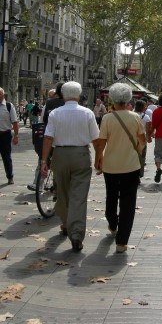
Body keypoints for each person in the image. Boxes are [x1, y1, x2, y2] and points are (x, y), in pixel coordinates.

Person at [40, 81, 99, 252]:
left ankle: (66, 224)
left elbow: (48, 138)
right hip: (81, 155)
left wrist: (44, 161)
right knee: (78, 197)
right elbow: (96, 139)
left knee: (62, 193)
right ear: (79, 96)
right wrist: (99, 159)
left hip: (60, 155)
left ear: (63, 96)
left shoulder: (55, 113)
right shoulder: (87, 113)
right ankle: (76, 235)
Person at [95, 83, 146, 253]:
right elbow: (142, 141)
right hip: (131, 166)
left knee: (111, 197)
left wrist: (98, 159)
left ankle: (112, 223)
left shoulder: (107, 118)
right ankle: (122, 242)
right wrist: (136, 151)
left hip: (110, 166)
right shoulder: (135, 117)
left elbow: (101, 142)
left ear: (112, 99)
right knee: (128, 203)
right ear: (128, 99)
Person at [27, 83, 65, 192]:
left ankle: (38, 184)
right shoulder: (70, 104)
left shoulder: (48, 104)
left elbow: (42, 121)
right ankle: (56, 186)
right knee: (59, 164)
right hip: (63, 140)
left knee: (43, 160)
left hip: (49, 136)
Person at [0, 88, 19, 184]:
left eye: (0, 94)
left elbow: (15, 122)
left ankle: (10, 176)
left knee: (6, 157)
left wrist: (16, 136)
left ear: (3, 95)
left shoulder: (8, 106)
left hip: (5, 135)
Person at [134, 99, 152, 180]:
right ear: (142, 107)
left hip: (133, 138)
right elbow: (148, 130)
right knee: (142, 157)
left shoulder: (132, 115)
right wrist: (149, 138)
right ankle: (139, 174)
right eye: (144, 106)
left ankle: (132, 173)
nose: (145, 107)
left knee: (133, 155)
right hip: (142, 139)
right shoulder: (146, 117)